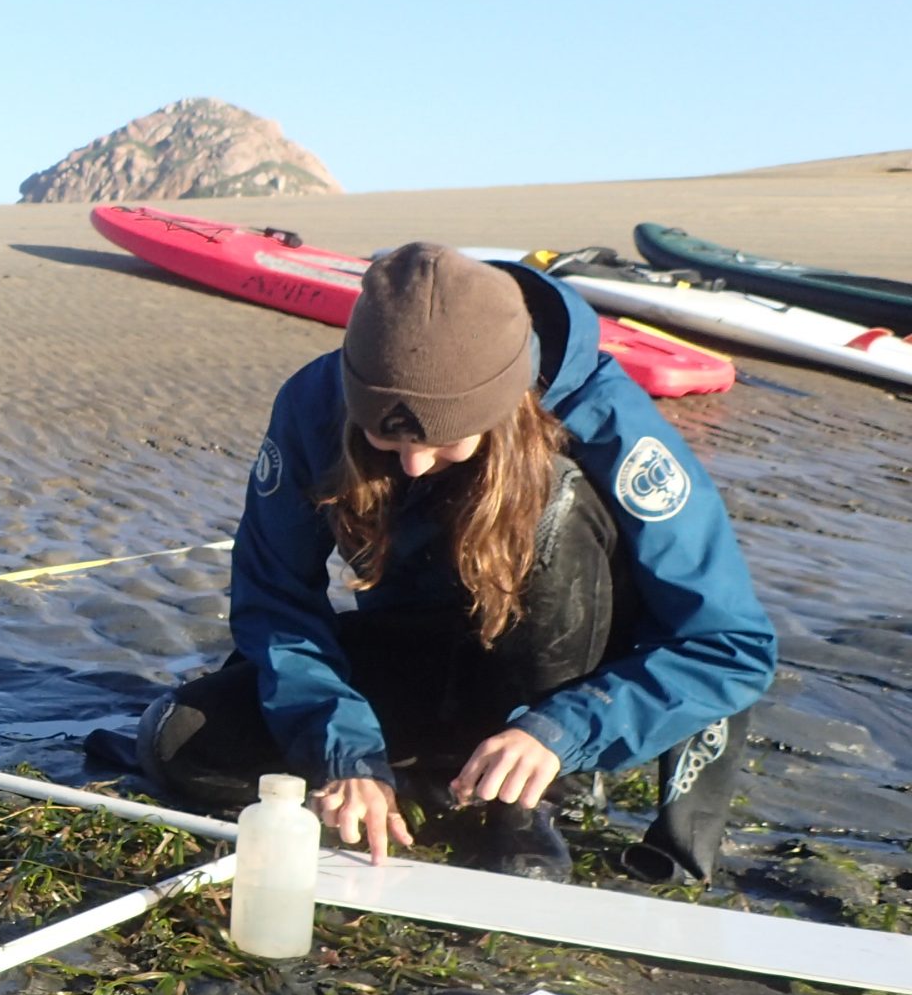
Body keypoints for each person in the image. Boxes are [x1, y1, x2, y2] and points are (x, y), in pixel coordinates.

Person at [138, 243, 775, 883]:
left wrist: (561, 730)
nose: (412, 466)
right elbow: (275, 599)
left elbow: (728, 645)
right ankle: (425, 783)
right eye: (385, 441)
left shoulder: (614, 428)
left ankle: (528, 803)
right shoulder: (314, 403)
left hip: (569, 677)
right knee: (181, 739)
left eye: (444, 442)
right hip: (424, 650)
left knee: (556, 496)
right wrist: (346, 753)